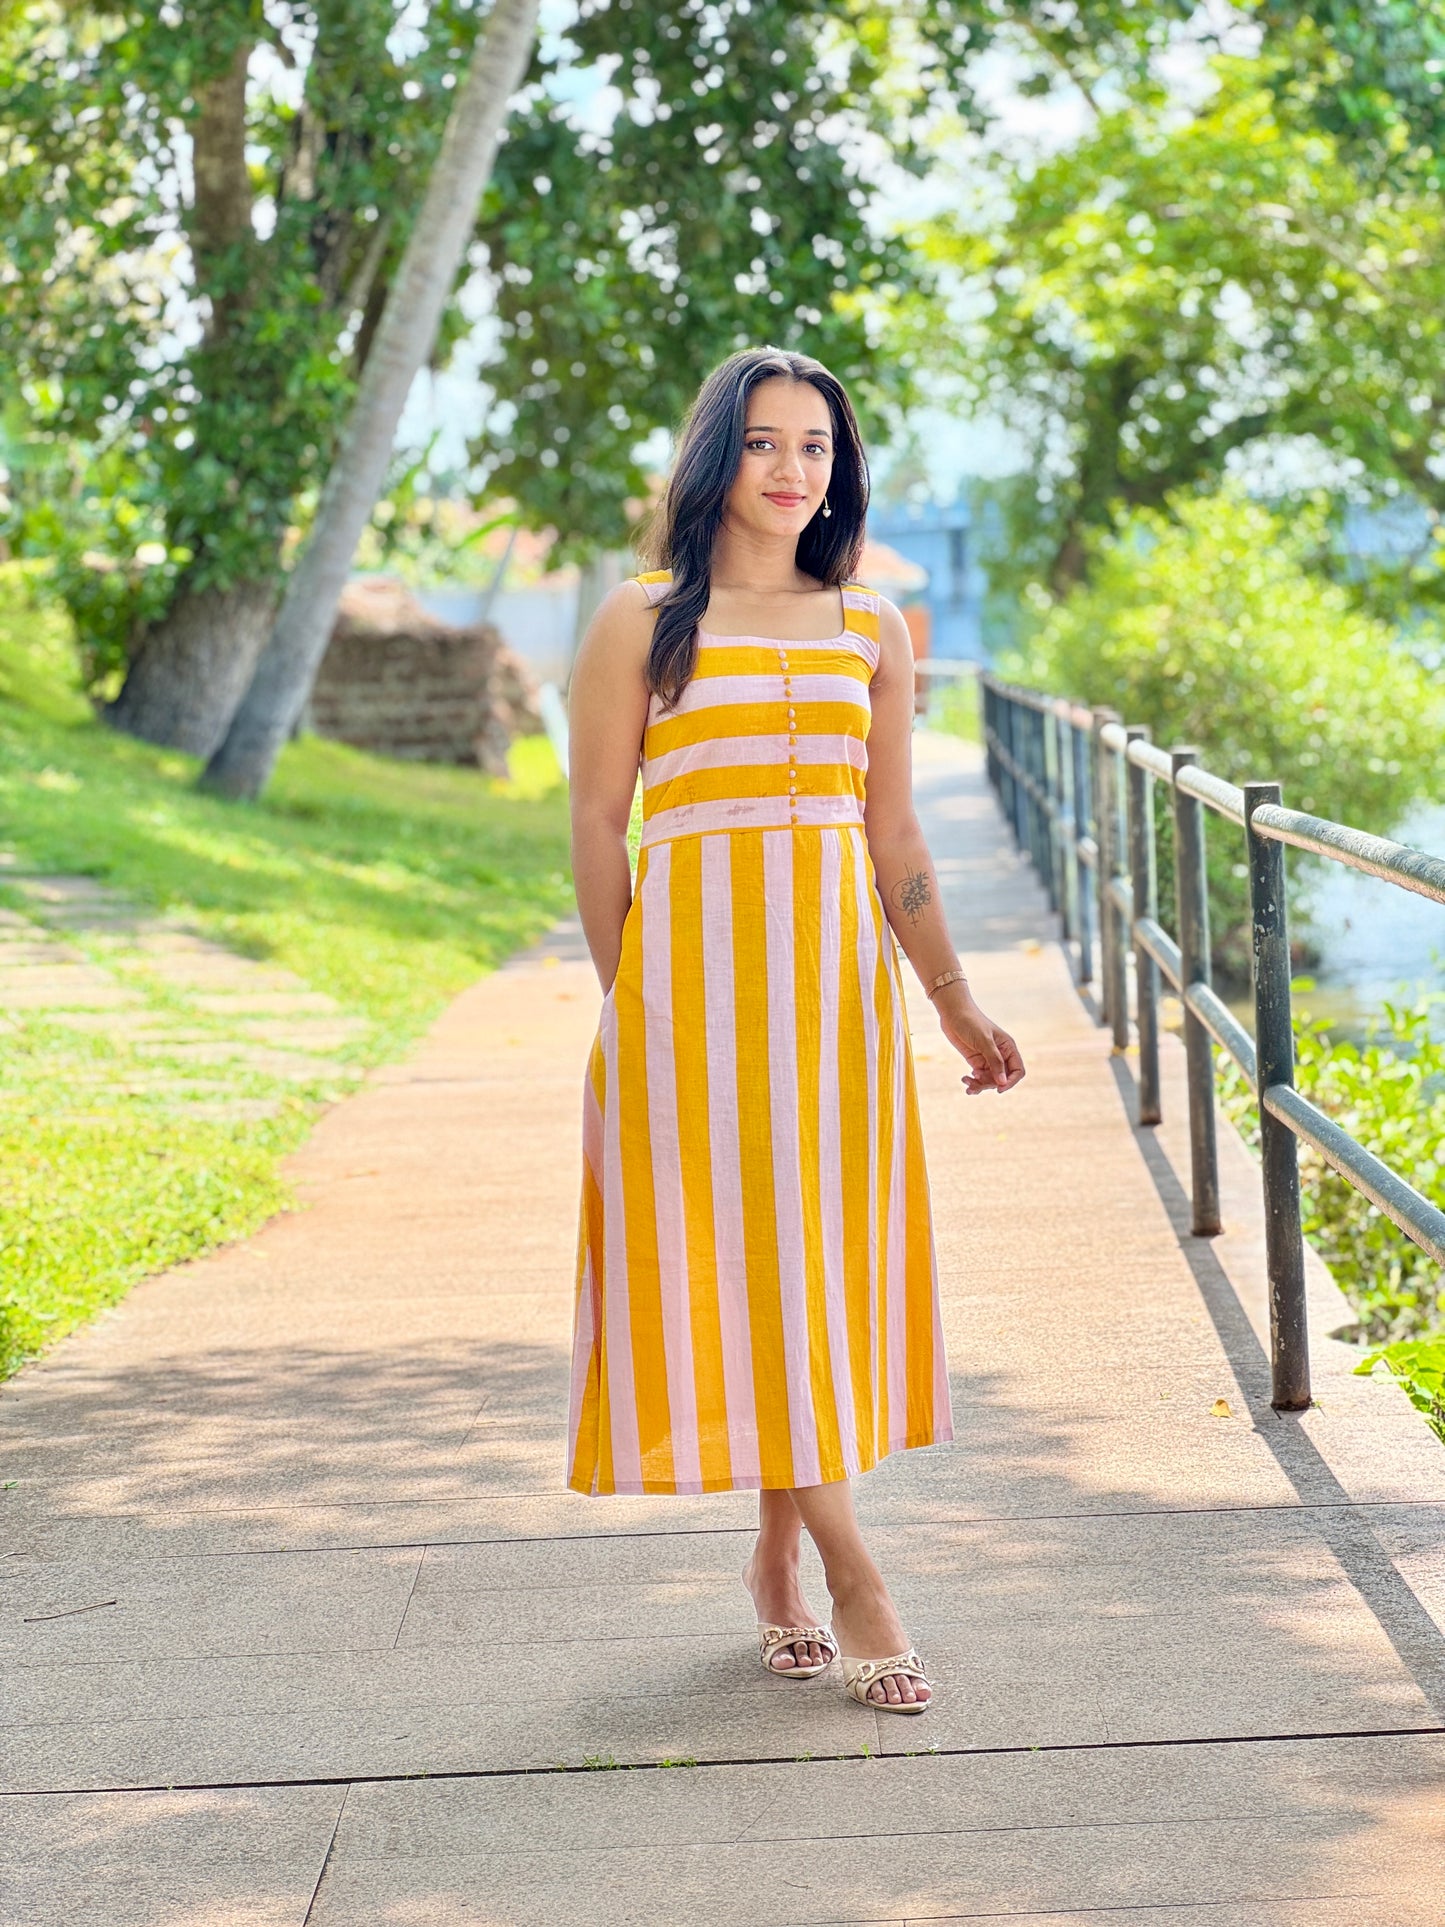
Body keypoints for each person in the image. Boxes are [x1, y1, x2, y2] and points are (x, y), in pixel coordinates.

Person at [565, 346, 1025, 1713]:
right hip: (683, 1004)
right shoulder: (639, 621)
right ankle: (852, 1572)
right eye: (764, 443)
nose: (791, 470)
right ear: (717, 457)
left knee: (805, 1277)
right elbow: (598, 821)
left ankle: (774, 1560)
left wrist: (952, 996)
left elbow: (891, 833)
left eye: (815, 448)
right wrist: (626, 996)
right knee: (744, 1268)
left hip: (834, 1008)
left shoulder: (868, 628)